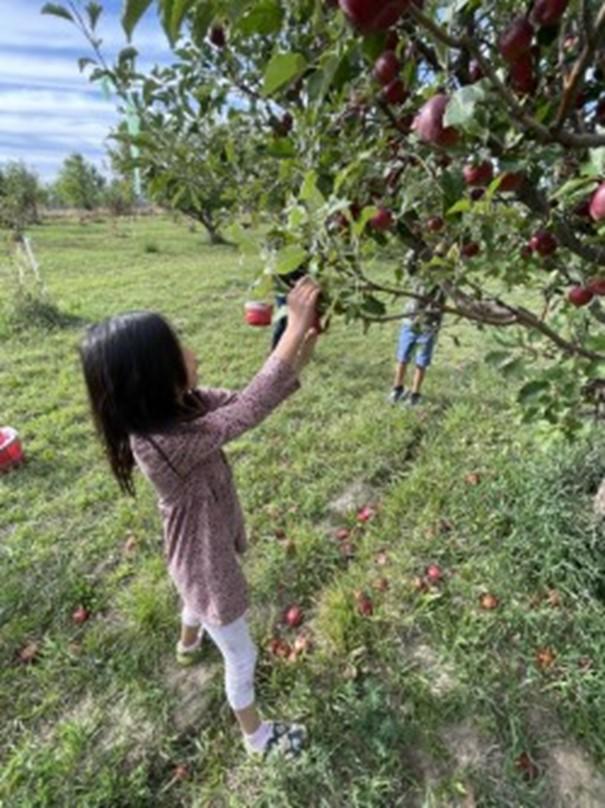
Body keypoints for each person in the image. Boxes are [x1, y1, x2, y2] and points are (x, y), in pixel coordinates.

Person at [79, 278, 320, 760]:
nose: (191, 351)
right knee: (240, 653)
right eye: (177, 350)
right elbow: (248, 410)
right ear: (152, 376)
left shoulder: (179, 407)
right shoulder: (159, 443)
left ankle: (188, 644)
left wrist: (296, 345)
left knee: (193, 601)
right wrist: (292, 327)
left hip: (192, 555)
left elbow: (246, 402)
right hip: (207, 565)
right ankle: (256, 737)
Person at [389, 278, 446, 407]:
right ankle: (397, 388)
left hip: (429, 325)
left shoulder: (445, 276)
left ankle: (415, 394)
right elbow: (409, 263)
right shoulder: (418, 272)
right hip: (410, 321)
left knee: (421, 361)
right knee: (402, 357)